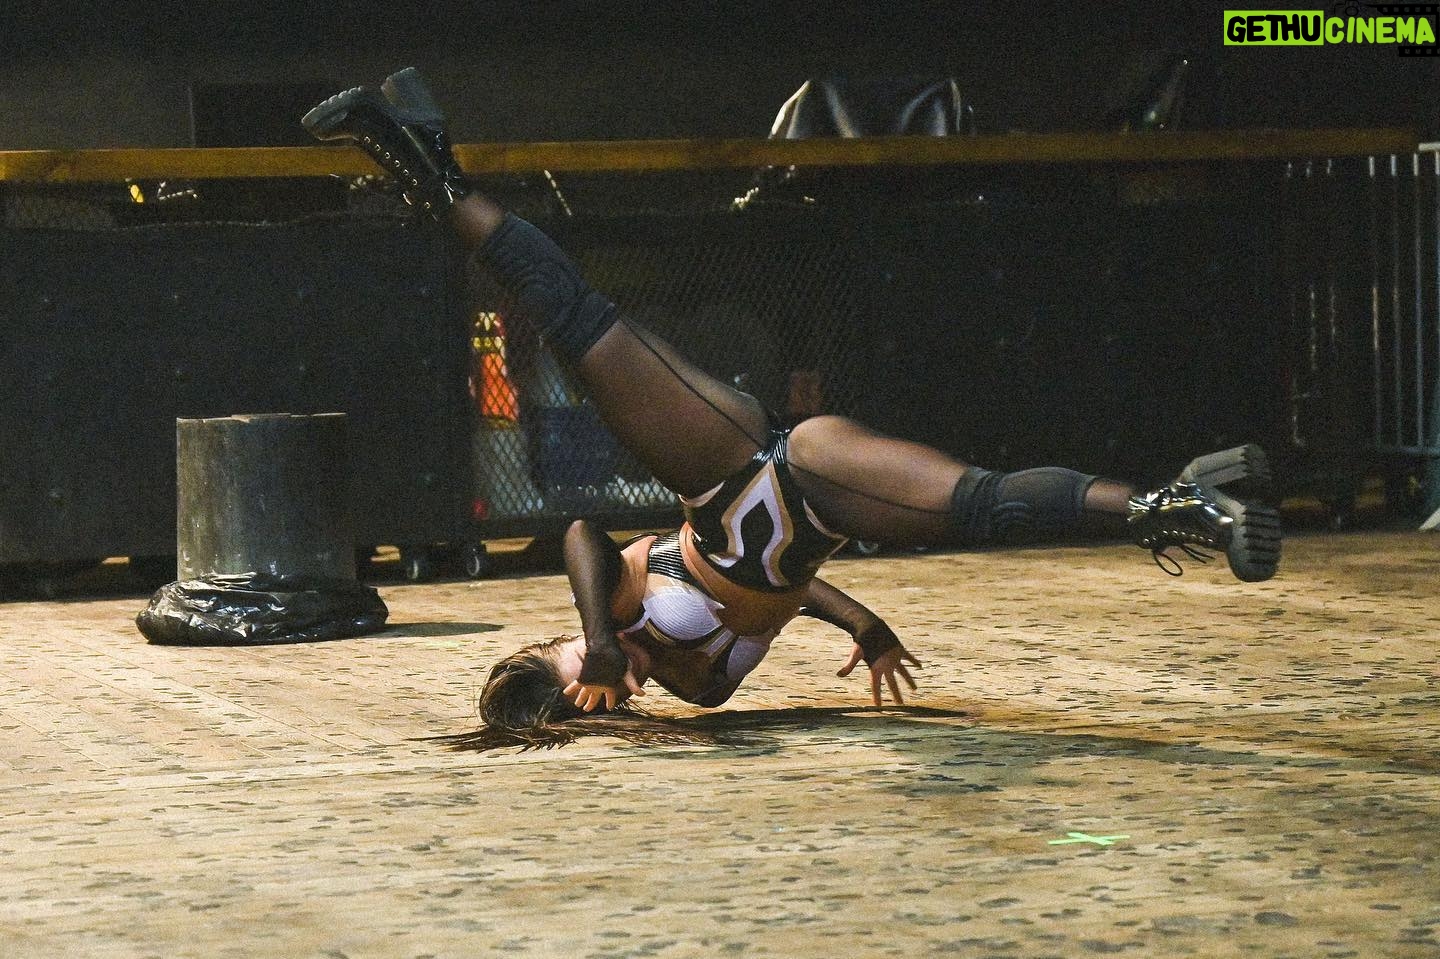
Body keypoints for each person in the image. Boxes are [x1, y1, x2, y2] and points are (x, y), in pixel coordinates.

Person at [302, 69, 1282, 750]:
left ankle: (421, 162)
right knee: (981, 504)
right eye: (597, 698)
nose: (608, 680)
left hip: (726, 472)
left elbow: (583, 533)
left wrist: (596, 639)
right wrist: (864, 622)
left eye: (578, 677)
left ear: (558, 656)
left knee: (574, 318)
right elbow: (780, 597)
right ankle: (1185, 501)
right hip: (813, 505)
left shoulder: (615, 608)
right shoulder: (688, 687)